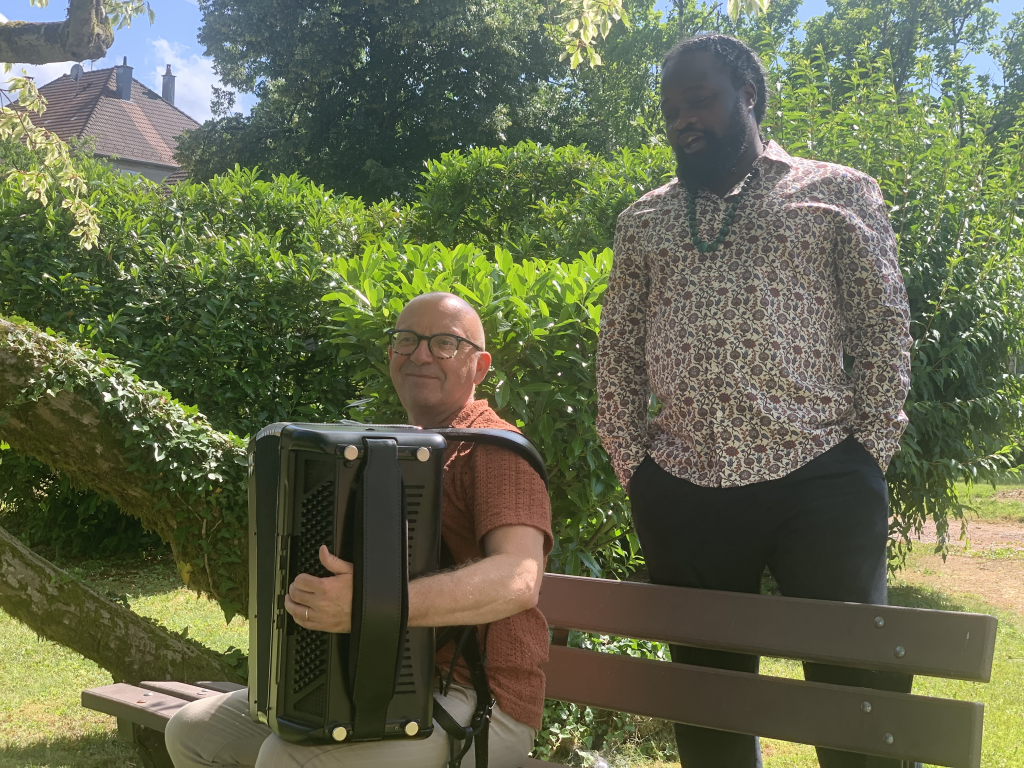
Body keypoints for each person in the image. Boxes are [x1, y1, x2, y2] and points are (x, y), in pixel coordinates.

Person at [595, 34, 914, 768]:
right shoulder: (642, 220)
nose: (683, 119)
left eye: (699, 99)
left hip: (822, 474)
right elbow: (617, 351)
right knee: (708, 708)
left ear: (750, 97)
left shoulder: (839, 190)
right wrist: (635, 467)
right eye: (672, 108)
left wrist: (868, 454)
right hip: (683, 487)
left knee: (855, 700)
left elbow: (883, 325)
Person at [166, 292, 553, 768]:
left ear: (480, 365)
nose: (420, 354)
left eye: (445, 343)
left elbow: (519, 578)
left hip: (480, 701)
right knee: (191, 733)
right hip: (372, 672)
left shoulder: (498, 452)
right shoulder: (391, 449)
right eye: (406, 340)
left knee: (286, 761)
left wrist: (374, 608)